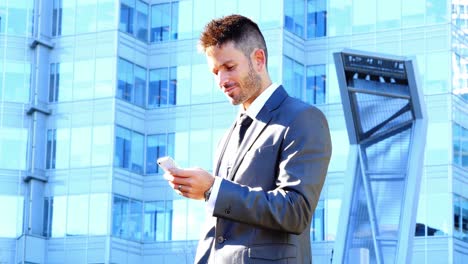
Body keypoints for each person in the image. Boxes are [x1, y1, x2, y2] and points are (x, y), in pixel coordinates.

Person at [163, 14, 332, 264]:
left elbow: (296, 210)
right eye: (215, 71)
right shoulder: (227, 136)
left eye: (229, 67)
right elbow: (218, 229)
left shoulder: (303, 118)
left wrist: (213, 189)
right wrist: (209, 193)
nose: (222, 81)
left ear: (259, 59)